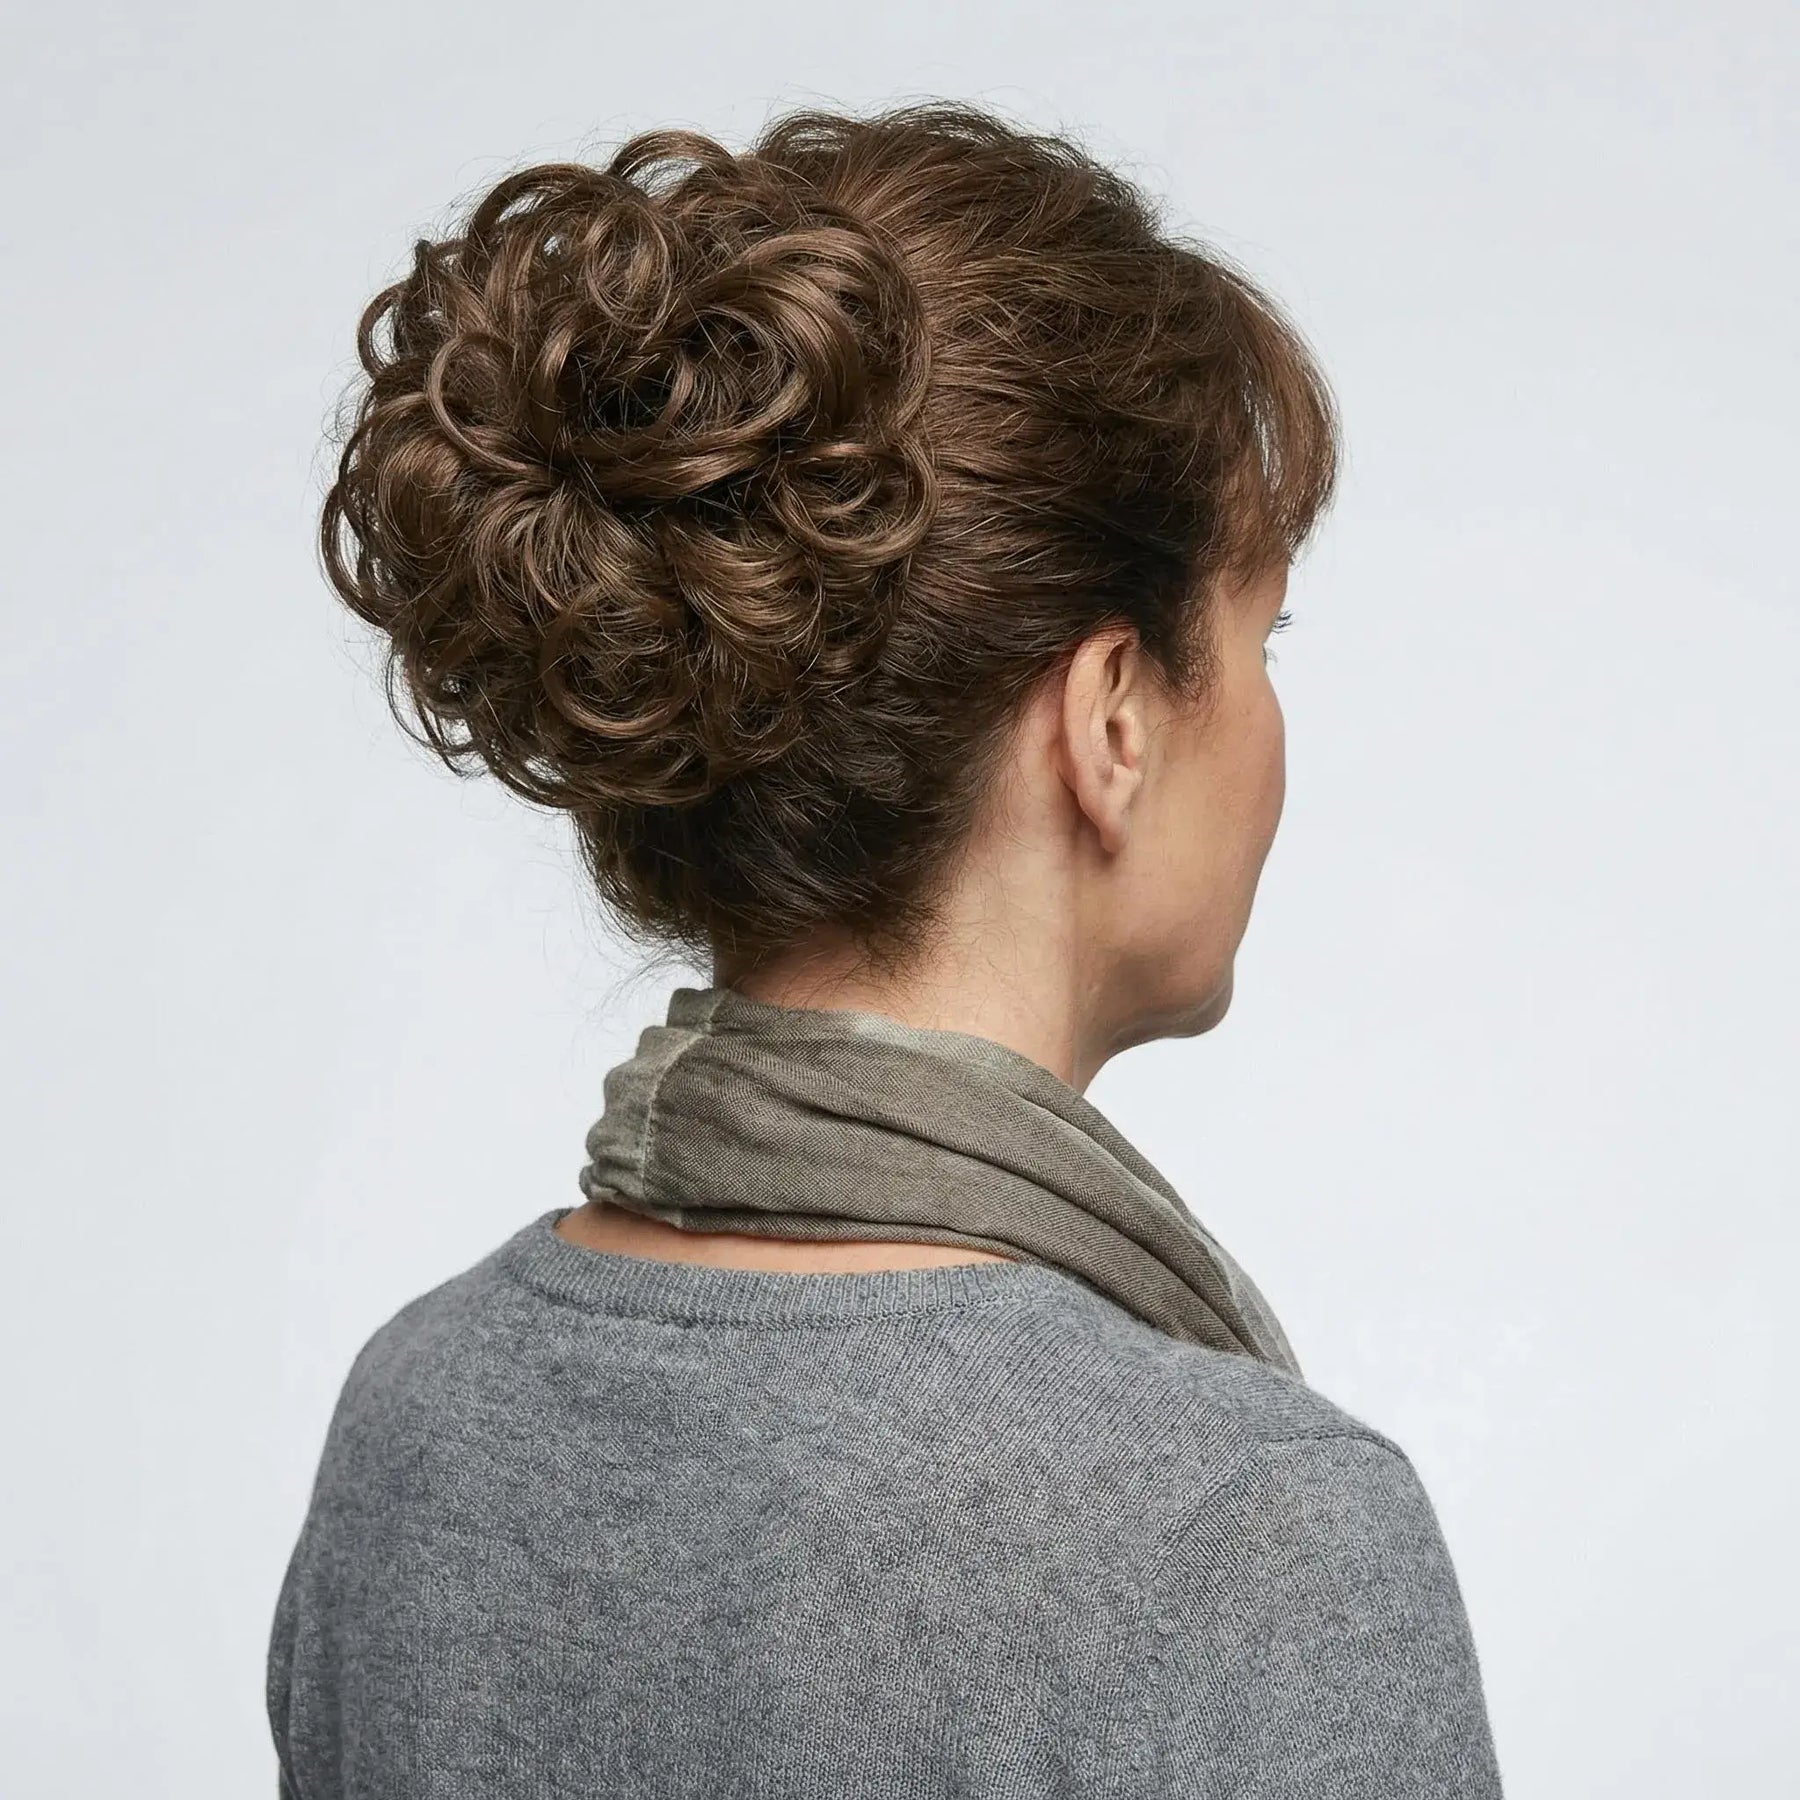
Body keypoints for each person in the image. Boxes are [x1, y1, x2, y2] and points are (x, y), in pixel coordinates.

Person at [269, 101, 1505, 1797]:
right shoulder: (1245, 1532)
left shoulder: (421, 1417)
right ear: (1114, 719)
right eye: (1263, 631)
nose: (1277, 717)